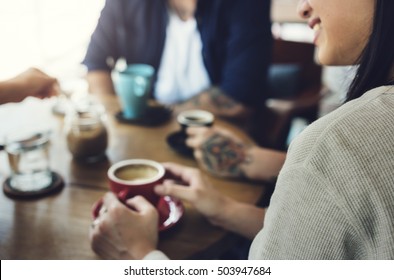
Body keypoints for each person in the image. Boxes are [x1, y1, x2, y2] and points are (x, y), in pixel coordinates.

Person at [90, 0, 394, 260]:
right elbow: (312, 235)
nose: (301, 7)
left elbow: (241, 95)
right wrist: (227, 203)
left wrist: (140, 256)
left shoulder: (334, 143)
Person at [82, 0, 272, 124]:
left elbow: (240, 97)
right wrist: (113, 117)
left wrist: (160, 116)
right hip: (146, 127)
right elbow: (96, 62)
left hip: (219, 129)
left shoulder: (247, 5)